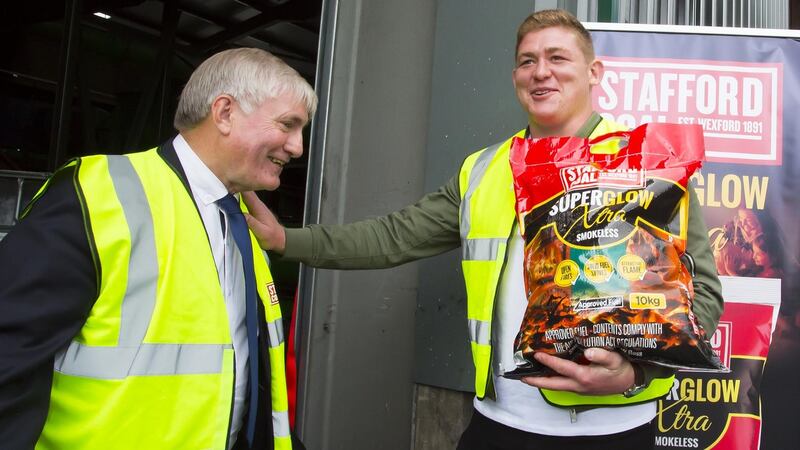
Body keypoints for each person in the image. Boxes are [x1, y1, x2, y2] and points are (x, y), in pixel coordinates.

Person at [245, 9, 724, 450]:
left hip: (613, 429)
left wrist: (635, 372)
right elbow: (394, 235)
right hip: (499, 422)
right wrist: (286, 240)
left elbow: (700, 288)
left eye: (558, 57)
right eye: (527, 61)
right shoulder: (483, 170)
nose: (541, 71)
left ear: (594, 73)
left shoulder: (647, 165)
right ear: (515, 76)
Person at [0, 48, 316, 450]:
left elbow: (247, 377)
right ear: (224, 113)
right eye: (288, 125)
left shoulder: (242, 222)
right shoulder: (99, 196)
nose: (297, 147)